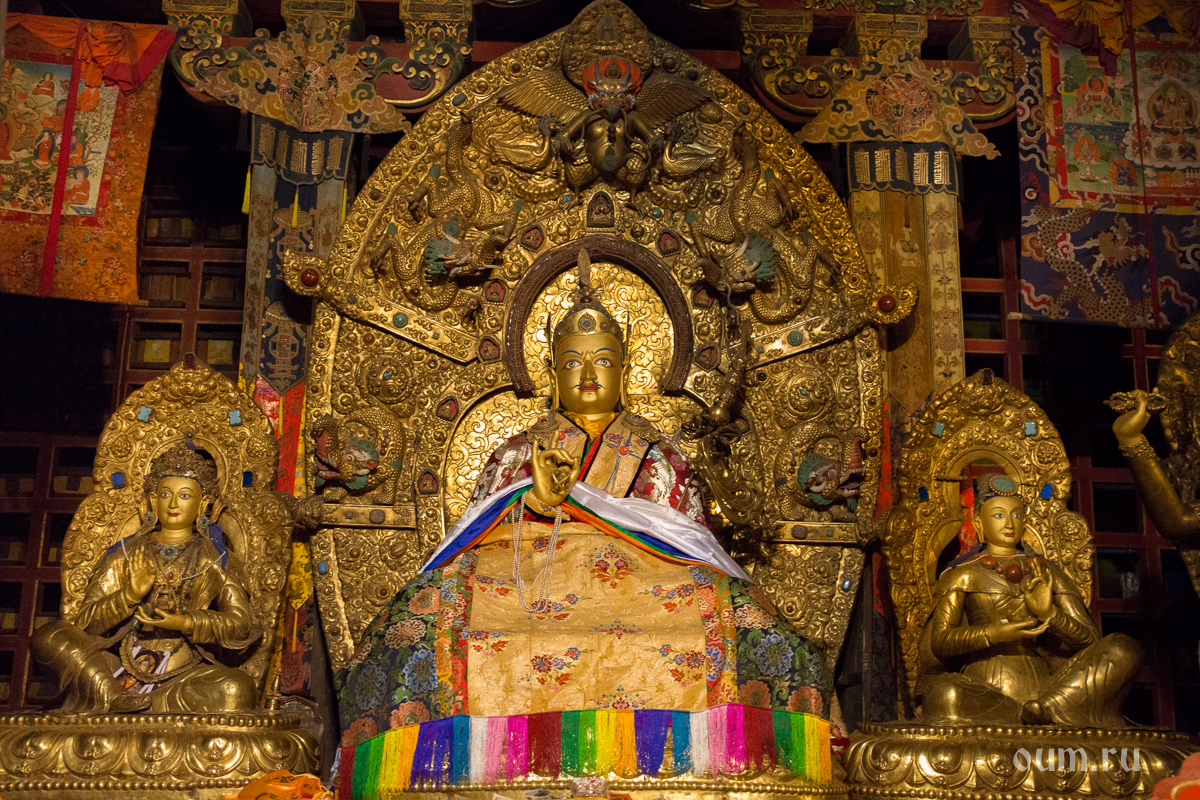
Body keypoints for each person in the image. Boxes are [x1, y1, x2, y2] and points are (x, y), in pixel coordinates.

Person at [337, 251, 830, 777]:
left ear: (625, 370)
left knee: (747, 617)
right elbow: (472, 534)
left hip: (650, 589)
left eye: (603, 361)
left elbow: (692, 544)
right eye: (573, 362)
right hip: (528, 580)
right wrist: (531, 501)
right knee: (422, 617)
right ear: (551, 373)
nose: (589, 374)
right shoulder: (519, 453)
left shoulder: (660, 456)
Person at [30, 441, 259, 715]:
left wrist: (186, 622)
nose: (173, 504)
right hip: (116, 666)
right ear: (152, 500)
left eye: (185, 496)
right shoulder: (126, 554)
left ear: (203, 504)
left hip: (182, 672)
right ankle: (113, 697)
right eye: (165, 494)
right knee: (49, 637)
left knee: (236, 688)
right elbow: (85, 624)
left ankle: (141, 706)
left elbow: (240, 624)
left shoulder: (216, 559)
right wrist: (129, 596)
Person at [917, 473, 1141, 728]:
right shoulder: (962, 574)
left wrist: (1049, 614)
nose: (1009, 523)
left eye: (1016, 515)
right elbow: (941, 641)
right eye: (999, 515)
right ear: (979, 524)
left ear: (1025, 523)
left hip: (1047, 685)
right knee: (945, 693)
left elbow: (1090, 641)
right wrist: (995, 633)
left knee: (1124, 648)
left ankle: (1048, 708)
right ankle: (1036, 714)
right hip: (984, 690)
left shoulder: (1048, 573)